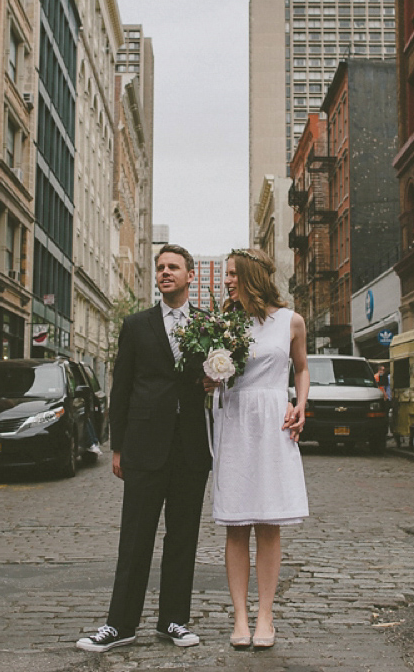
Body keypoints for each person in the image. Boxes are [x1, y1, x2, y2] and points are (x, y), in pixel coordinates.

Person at [78, 244, 211, 653]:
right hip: (144, 447)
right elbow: (122, 389)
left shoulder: (209, 325)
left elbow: (222, 380)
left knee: (183, 536)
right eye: (160, 267)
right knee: (135, 537)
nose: (165, 272)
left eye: (173, 267)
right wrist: (117, 447)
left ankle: (173, 620)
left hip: (190, 448)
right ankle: (120, 625)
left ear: (191, 276)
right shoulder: (136, 325)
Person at [211, 248, 309, 650]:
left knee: (268, 524)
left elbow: (301, 368)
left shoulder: (291, 321)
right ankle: (239, 617)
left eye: (233, 274)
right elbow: (210, 372)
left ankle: (265, 615)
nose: (227, 280)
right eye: (225, 275)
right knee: (236, 524)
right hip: (234, 419)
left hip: (272, 419)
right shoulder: (222, 322)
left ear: (252, 276)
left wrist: (301, 404)